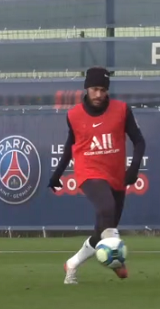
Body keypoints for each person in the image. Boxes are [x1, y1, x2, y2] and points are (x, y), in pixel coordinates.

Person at [48, 67, 146, 284]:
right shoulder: (74, 115)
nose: (99, 94)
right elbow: (69, 147)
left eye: (102, 89)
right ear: (86, 88)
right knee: (106, 208)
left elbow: (139, 141)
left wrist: (134, 168)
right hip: (89, 172)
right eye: (94, 89)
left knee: (103, 231)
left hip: (116, 176)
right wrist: (57, 175)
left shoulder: (121, 110)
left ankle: (72, 264)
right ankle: (117, 261)